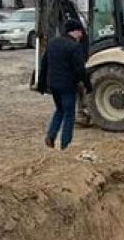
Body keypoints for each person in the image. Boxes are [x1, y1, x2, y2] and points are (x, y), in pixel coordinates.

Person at [38, 18, 93, 151]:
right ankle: (65, 144)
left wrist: (41, 84)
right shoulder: (74, 47)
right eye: (80, 32)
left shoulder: (53, 43)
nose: (81, 35)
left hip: (53, 84)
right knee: (69, 114)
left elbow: (44, 64)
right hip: (67, 85)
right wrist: (87, 84)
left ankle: (51, 135)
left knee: (60, 109)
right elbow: (80, 69)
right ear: (74, 32)